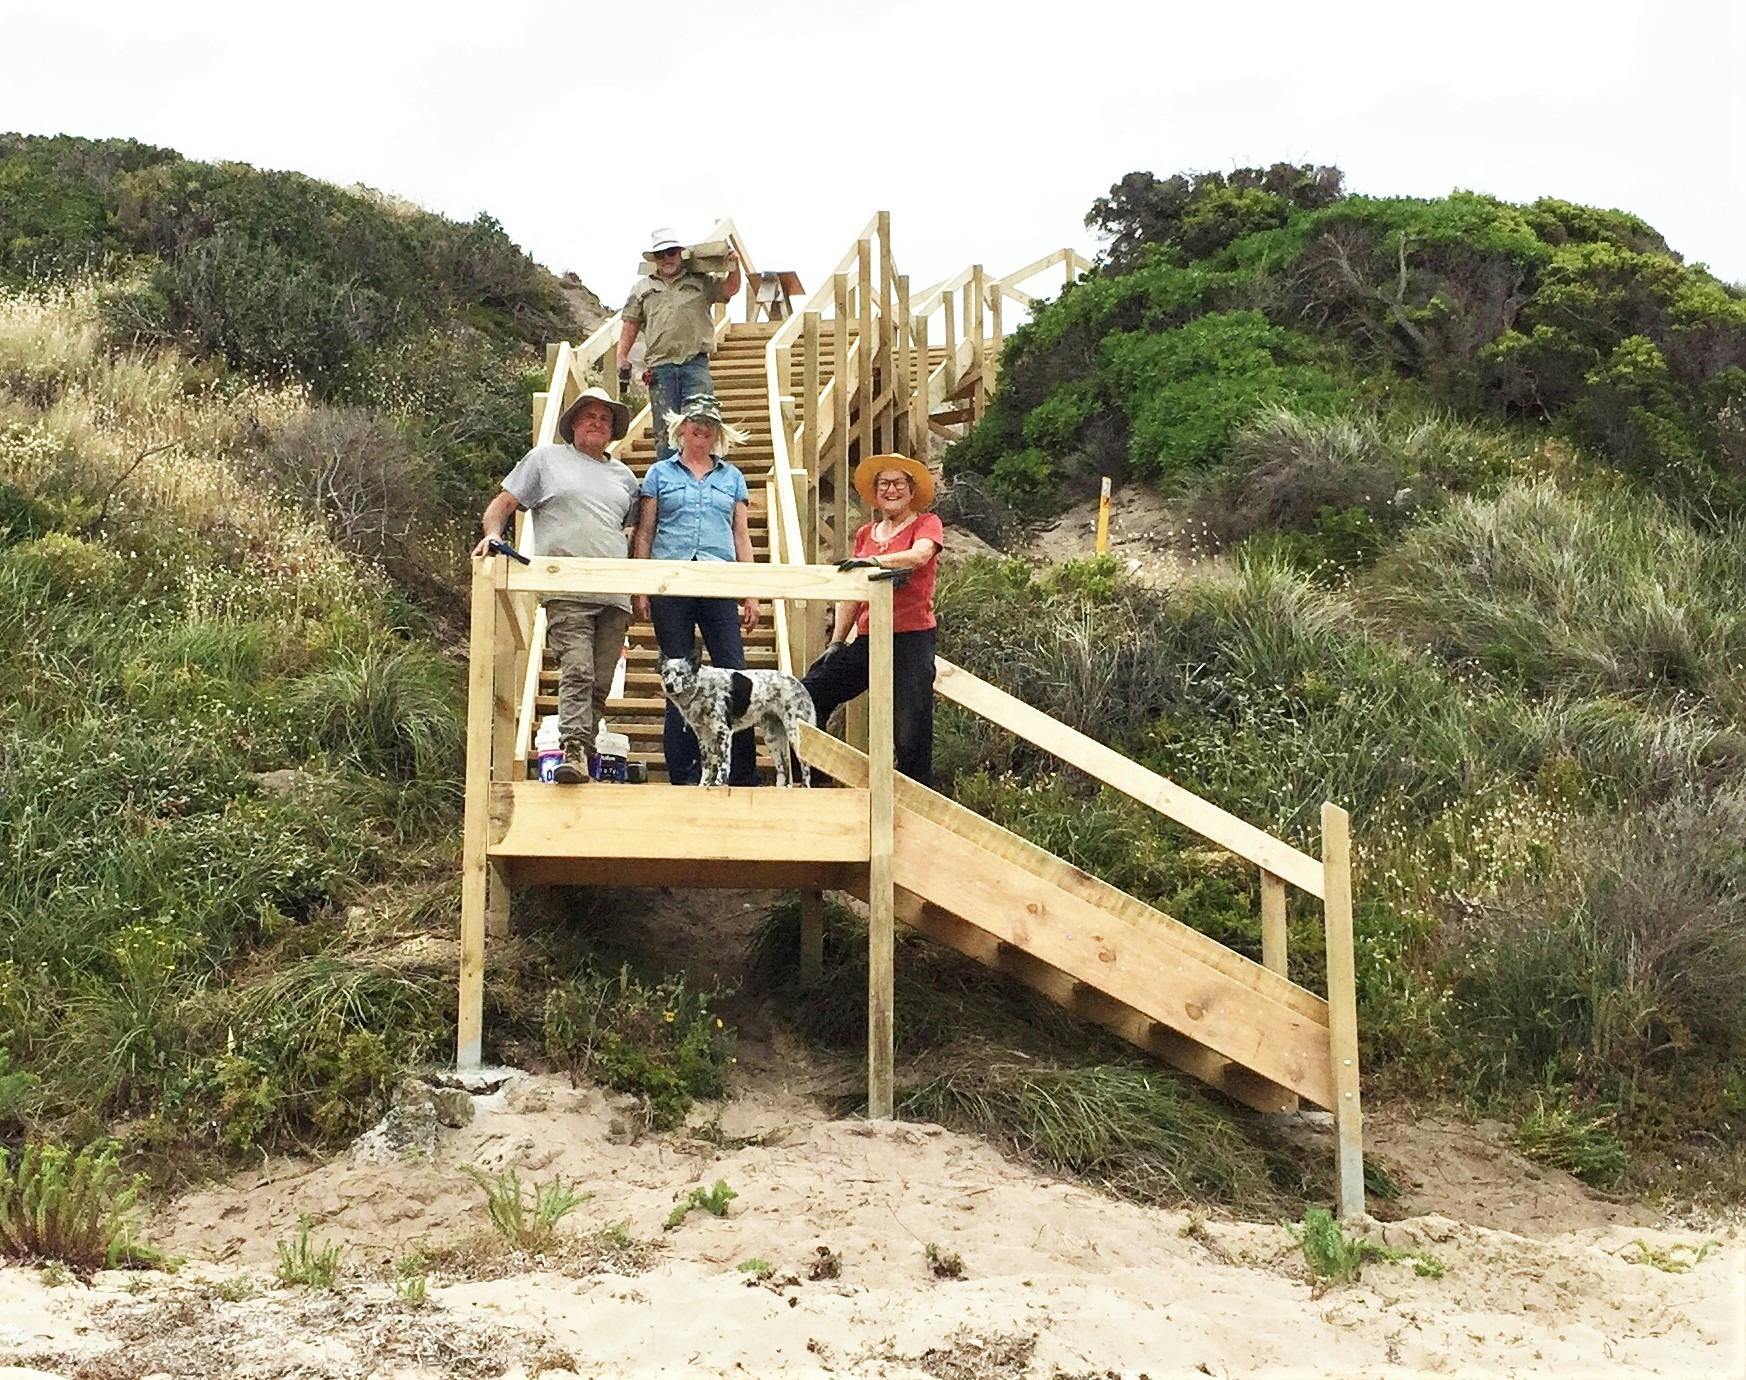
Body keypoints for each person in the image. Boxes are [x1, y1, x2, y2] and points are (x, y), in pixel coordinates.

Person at [473, 387, 637, 784]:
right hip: (566, 589)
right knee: (577, 668)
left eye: (605, 417)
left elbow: (631, 534)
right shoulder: (546, 459)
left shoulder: (626, 478)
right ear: (573, 424)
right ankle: (573, 748)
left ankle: (586, 752)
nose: (597, 422)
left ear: (613, 429)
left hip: (615, 592)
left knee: (599, 680)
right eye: (589, 416)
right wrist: (493, 535)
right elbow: (502, 505)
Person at [632, 394, 760, 785]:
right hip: (671, 583)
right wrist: (641, 586)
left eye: (708, 424)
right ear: (681, 428)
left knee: (734, 670)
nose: (700, 429)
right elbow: (646, 532)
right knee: (678, 672)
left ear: (716, 432)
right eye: (694, 422)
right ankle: (682, 772)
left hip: (718, 582)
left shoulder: (732, 478)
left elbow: (741, 536)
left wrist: (750, 591)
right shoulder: (659, 474)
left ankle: (741, 772)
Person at [802, 454, 943, 787]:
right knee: (810, 692)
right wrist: (837, 642)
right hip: (868, 637)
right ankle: (820, 776)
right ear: (875, 492)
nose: (891, 490)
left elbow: (920, 555)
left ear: (911, 491)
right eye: (884, 484)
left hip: (911, 637)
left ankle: (914, 801)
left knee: (911, 726)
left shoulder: (927, 523)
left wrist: (873, 562)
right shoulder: (865, 533)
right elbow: (852, 594)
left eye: (898, 483)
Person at [617, 228, 741, 463]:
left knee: (703, 421)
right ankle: (669, 486)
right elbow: (630, 323)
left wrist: (735, 266)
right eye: (662, 254)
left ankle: (705, 477)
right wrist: (621, 356)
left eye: (671, 252)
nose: (667, 258)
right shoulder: (641, 289)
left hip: (695, 364)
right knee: (666, 431)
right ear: (655, 258)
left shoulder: (700, 281)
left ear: (680, 254)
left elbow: (729, 289)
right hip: (660, 369)